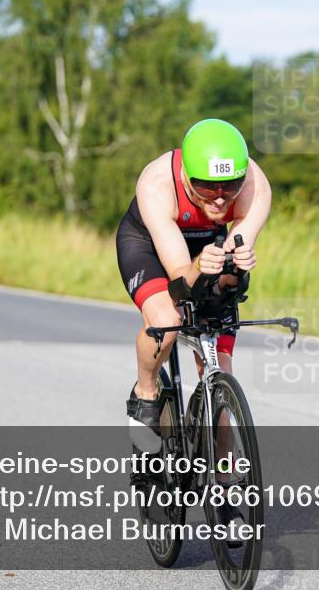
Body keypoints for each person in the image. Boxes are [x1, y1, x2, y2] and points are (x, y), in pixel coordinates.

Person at [116, 118, 271, 446]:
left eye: (230, 186)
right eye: (206, 187)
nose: (219, 198)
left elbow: (235, 254)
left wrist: (237, 267)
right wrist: (200, 266)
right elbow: (180, 279)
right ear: (186, 175)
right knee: (168, 319)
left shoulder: (255, 185)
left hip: (207, 243)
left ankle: (224, 463)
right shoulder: (157, 184)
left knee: (219, 356)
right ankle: (145, 390)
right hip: (150, 245)